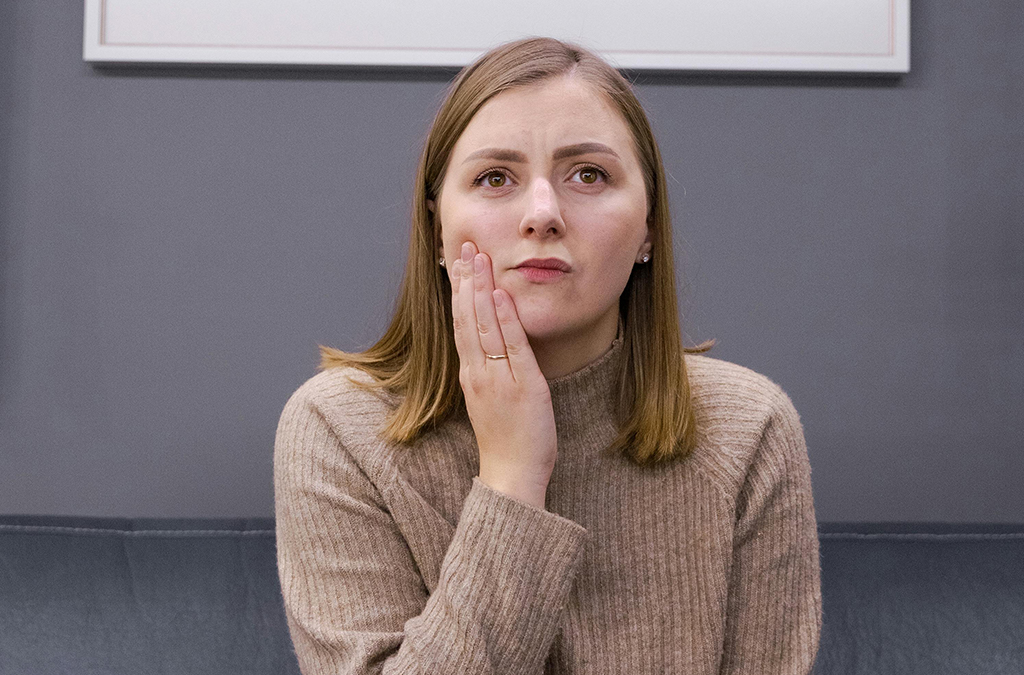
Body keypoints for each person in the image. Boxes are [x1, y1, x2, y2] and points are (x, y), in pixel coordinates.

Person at [274, 36, 822, 675]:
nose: (543, 214)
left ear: (649, 229)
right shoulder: (336, 430)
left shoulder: (749, 429)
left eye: (589, 174)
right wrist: (511, 474)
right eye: (495, 177)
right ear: (437, 230)